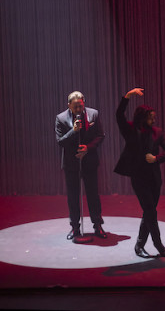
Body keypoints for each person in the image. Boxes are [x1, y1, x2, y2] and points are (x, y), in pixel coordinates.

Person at [114, 88, 165, 257]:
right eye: (151, 116)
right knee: (150, 211)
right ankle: (158, 245)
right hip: (138, 177)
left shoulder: (158, 132)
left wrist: (156, 158)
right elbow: (119, 115)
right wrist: (126, 97)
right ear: (142, 117)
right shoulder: (130, 129)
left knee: (149, 212)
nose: (154, 119)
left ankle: (139, 245)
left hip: (154, 178)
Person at [55, 91, 106, 241]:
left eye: (81, 106)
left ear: (84, 102)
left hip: (89, 160)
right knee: (73, 196)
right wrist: (74, 131)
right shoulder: (61, 118)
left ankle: (97, 225)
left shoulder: (93, 114)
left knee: (93, 194)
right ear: (69, 105)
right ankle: (75, 227)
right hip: (71, 163)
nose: (79, 109)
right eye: (75, 106)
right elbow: (61, 142)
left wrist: (87, 148)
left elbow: (101, 135)